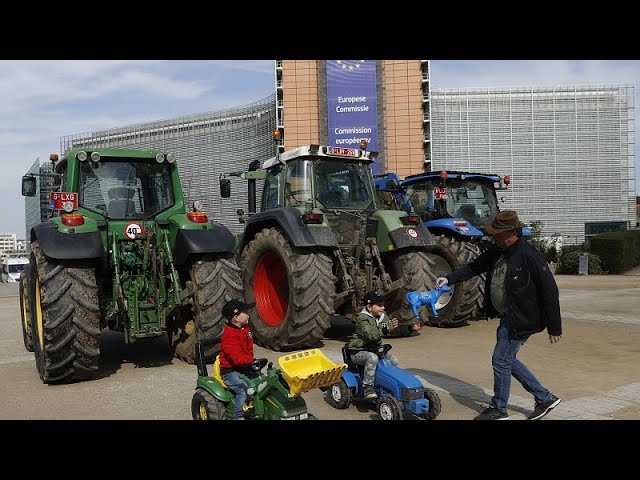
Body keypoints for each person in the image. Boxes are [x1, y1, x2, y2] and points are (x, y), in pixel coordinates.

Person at [435, 210, 562, 420]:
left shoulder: (529, 255)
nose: (494, 238)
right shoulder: (498, 250)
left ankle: (499, 408)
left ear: (512, 233)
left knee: (501, 360)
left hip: (523, 318)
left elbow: (549, 291)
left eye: (498, 234)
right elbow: (474, 267)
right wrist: (449, 279)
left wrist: (554, 326)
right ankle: (544, 398)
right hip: (508, 316)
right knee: (506, 359)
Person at [347, 291, 400, 399]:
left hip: (375, 349)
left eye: (383, 305)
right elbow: (371, 335)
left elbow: (390, 329)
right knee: (372, 358)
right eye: (380, 305)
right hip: (358, 352)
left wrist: (409, 328)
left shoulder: (383, 317)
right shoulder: (362, 319)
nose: (383, 307)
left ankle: (388, 384)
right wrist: (386, 329)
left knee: (393, 359)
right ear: (370, 307)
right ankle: (368, 387)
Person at [218, 298, 256, 420]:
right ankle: (239, 416)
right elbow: (237, 359)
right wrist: (250, 360)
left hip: (245, 366)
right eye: (245, 312)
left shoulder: (245, 329)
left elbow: (249, 350)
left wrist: (252, 361)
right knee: (243, 388)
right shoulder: (229, 335)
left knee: (263, 383)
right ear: (236, 317)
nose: (248, 314)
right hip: (230, 371)